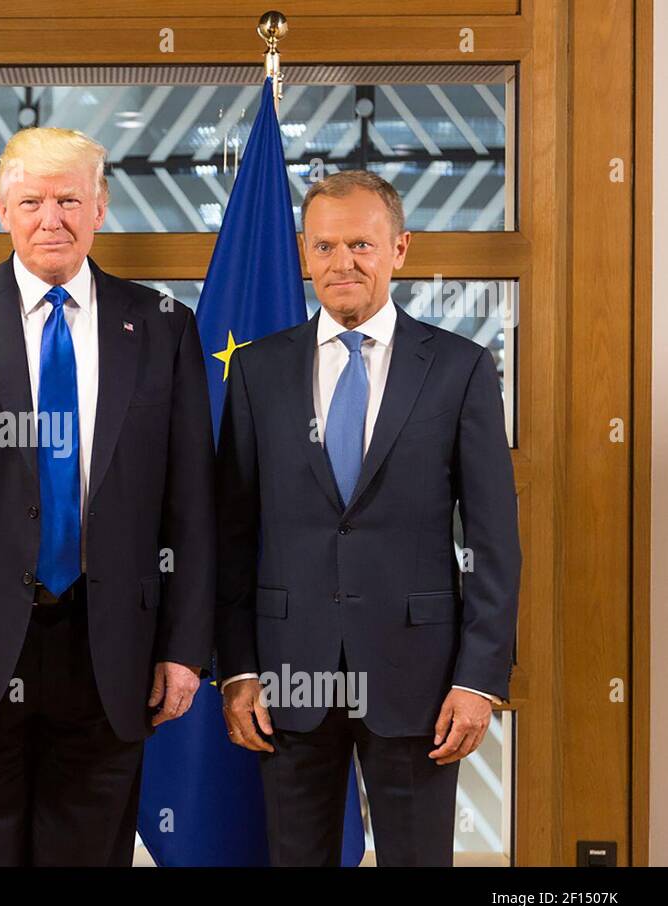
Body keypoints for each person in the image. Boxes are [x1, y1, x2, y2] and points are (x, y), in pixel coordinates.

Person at [0, 127, 215, 865]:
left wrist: (186, 648)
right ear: (2, 207)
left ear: (100, 207)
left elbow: (192, 504)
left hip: (111, 648)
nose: (49, 218)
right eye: (31, 201)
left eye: (68, 199)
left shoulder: (162, 326)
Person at [216, 169, 520, 866]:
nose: (342, 263)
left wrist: (478, 679)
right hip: (288, 679)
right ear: (303, 254)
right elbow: (231, 536)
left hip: (420, 680)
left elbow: (494, 541)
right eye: (324, 247)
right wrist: (235, 669)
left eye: (361, 243)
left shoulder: (459, 368)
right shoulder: (259, 372)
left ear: (400, 250)